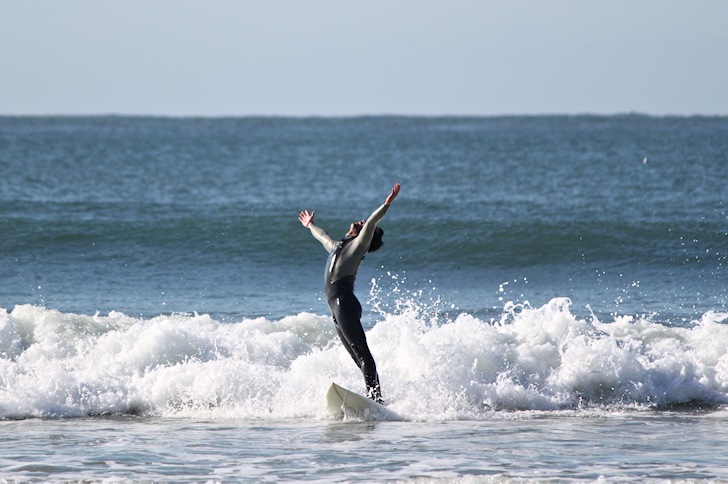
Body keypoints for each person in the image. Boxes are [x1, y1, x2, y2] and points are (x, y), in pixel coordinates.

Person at [299, 182, 401, 404]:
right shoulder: (338, 246)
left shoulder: (358, 246)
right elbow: (323, 237)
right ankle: (372, 397)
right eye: (364, 224)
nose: (363, 222)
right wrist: (310, 226)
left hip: (344, 303)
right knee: (357, 357)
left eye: (366, 227)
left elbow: (373, 221)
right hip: (336, 308)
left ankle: (376, 400)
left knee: (364, 354)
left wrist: (386, 204)